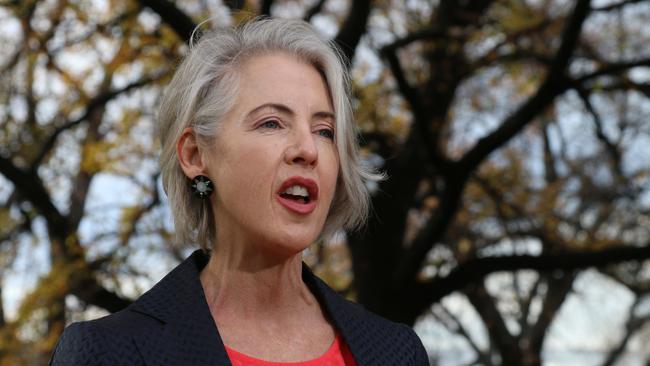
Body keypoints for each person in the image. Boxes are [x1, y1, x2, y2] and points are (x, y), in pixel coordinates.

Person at [49, 17, 429, 366]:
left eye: (324, 130)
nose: (308, 149)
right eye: (272, 123)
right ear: (195, 154)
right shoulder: (110, 351)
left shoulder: (397, 350)